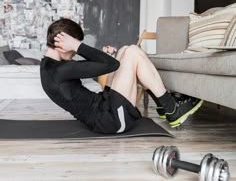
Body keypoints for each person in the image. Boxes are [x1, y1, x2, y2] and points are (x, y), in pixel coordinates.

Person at [40, 18, 203, 134]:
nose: (75, 51)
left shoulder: (50, 67)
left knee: (124, 50)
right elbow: (111, 65)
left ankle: (164, 105)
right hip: (111, 121)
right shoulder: (60, 71)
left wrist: (99, 56)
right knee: (133, 53)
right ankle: (171, 108)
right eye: (72, 46)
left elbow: (104, 67)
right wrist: (78, 45)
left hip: (104, 109)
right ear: (61, 45)